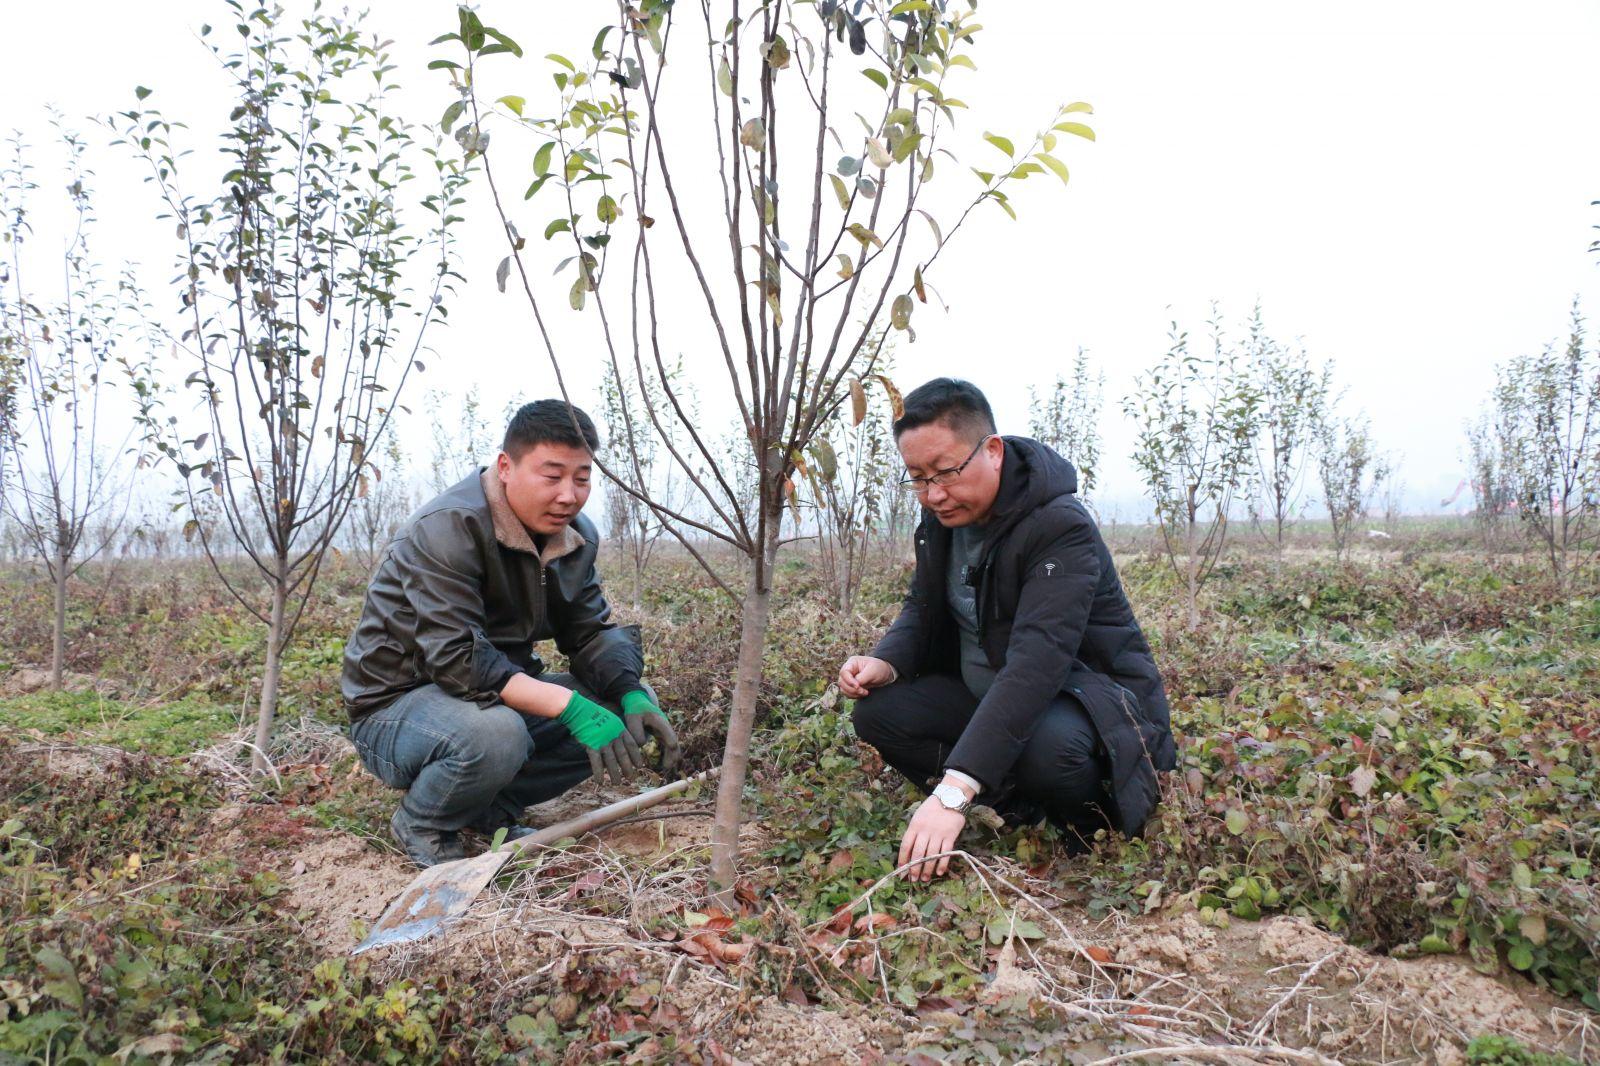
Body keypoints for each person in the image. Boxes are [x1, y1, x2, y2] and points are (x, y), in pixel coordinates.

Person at [840, 378, 1175, 880]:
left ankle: (1086, 832)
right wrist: (885, 663)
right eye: (917, 478)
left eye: (946, 471)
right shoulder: (943, 523)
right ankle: (1014, 812)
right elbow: (922, 606)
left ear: (992, 451)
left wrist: (951, 791)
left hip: (1090, 706)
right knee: (880, 713)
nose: (934, 494)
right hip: (992, 695)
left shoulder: (1060, 527)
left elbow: (1037, 665)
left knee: (1051, 747)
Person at [341, 399, 682, 867]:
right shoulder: (447, 529)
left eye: (582, 478)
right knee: (496, 734)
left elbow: (588, 632)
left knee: (620, 702)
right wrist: (568, 706)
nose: (569, 495)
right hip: (397, 708)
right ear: (506, 467)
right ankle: (424, 821)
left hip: (491, 689)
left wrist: (629, 691)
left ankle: (486, 807)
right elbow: (457, 660)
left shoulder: (574, 537)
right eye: (552, 475)